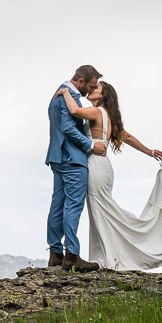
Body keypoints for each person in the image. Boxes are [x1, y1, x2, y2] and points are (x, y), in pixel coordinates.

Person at [55, 80, 162, 270]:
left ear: (103, 95)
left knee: (101, 208)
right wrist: (149, 151)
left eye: (96, 88)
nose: (91, 89)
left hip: (96, 164)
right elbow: (128, 137)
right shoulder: (107, 115)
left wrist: (66, 92)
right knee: (101, 209)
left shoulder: (98, 112)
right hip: (102, 165)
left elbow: (75, 111)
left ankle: (112, 255)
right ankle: (107, 254)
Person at [46, 65, 108, 271]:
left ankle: (55, 253)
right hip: (72, 159)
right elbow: (68, 128)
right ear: (81, 81)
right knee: (73, 205)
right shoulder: (69, 96)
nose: (91, 90)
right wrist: (90, 145)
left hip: (57, 156)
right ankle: (72, 255)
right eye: (90, 86)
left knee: (57, 204)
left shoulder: (57, 94)